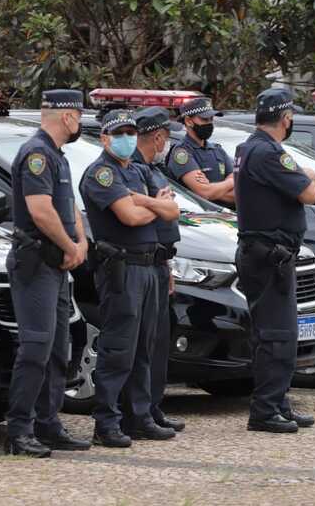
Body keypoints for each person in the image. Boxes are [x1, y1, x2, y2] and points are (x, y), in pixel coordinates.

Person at [80, 109, 180, 447]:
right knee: (118, 349)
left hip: (149, 266)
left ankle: (140, 417)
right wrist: (151, 204)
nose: (126, 139)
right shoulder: (101, 174)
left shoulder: (138, 171)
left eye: (130, 133)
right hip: (121, 270)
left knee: (143, 349)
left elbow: (172, 211)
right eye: (118, 133)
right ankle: (106, 422)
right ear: (105, 138)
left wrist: (143, 200)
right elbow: (131, 217)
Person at [4, 89, 90, 458]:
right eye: (79, 116)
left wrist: (81, 242)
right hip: (36, 263)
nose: (80, 123)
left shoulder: (58, 156)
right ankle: (19, 430)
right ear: (68, 117)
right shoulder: (37, 154)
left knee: (58, 349)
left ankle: (47, 423)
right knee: (36, 348)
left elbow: (68, 208)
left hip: (56, 265)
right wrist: (71, 248)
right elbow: (40, 212)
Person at [233, 87, 315, 434]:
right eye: (292, 116)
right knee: (277, 335)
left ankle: (278, 403)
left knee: (277, 334)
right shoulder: (269, 152)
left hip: (266, 254)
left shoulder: (249, 147)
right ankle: (266, 410)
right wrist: (309, 173)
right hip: (270, 256)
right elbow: (308, 193)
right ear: (285, 118)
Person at [125, 106, 185, 433]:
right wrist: (160, 205)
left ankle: (152, 407)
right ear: (158, 136)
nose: (166, 144)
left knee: (158, 342)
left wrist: (169, 265)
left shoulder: (151, 168)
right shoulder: (134, 168)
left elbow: (169, 212)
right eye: (166, 137)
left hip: (160, 262)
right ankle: (139, 413)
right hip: (140, 264)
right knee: (143, 344)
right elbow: (159, 212)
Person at [166, 97, 235, 207]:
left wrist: (211, 189)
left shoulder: (218, 150)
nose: (209, 123)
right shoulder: (182, 152)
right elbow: (205, 193)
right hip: (203, 218)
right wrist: (231, 182)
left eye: (211, 119)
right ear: (189, 121)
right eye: (204, 119)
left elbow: (239, 192)